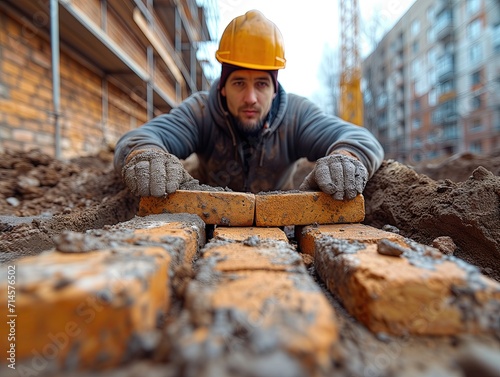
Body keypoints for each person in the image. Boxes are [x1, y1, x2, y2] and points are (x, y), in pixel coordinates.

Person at [114, 10, 384, 200]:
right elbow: (141, 138)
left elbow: (359, 138)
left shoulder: (296, 116)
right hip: (211, 218)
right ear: (223, 86)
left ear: (274, 87)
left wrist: (346, 159)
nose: (251, 98)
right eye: (239, 83)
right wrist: (145, 155)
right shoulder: (201, 112)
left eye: (262, 84)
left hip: (279, 224)